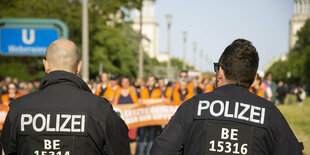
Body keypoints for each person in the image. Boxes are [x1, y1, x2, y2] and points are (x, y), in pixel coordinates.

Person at [151, 39, 303, 155]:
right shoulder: (270, 114)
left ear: (220, 73)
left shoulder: (193, 107)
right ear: (253, 78)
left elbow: (160, 151)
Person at [1, 39, 130, 155]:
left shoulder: (19, 109)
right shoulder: (99, 109)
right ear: (79, 66)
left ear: (46, 65)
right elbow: (120, 147)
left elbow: (9, 148)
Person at [113, 75, 139, 155]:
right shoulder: (118, 91)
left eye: (127, 82)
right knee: (121, 138)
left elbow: (138, 103)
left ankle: (133, 153)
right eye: (123, 82)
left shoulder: (133, 90)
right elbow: (114, 104)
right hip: (121, 119)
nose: (125, 83)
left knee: (132, 138)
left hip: (132, 119)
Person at [138, 75, 162, 155]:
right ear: (147, 81)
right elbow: (139, 101)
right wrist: (152, 102)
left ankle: (149, 153)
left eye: (152, 80)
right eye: (149, 80)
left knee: (151, 137)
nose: (151, 82)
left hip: (153, 117)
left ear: (155, 81)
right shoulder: (143, 90)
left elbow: (161, 101)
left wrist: (147, 102)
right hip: (143, 116)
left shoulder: (158, 91)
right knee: (142, 137)